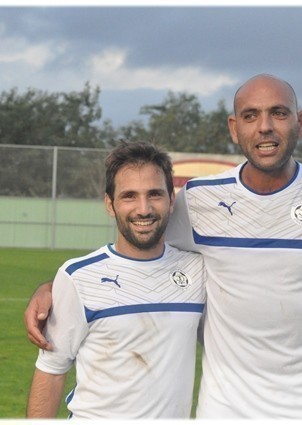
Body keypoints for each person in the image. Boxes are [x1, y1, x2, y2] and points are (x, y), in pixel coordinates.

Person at [26, 74, 302, 418]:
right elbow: (138, 244)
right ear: (234, 128)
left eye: (278, 113)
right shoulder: (199, 200)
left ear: (300, 122)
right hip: (225, 410)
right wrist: (54, 289)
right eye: (250, 116)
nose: (265, 126)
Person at [26, 141, 206, 418]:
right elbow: (51, 372)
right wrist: (51, 287)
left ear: (171, 200)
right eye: (129, 196)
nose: (143, 209)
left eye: (154, 194)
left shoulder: (197, 271)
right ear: (110, 204)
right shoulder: (78, 278)